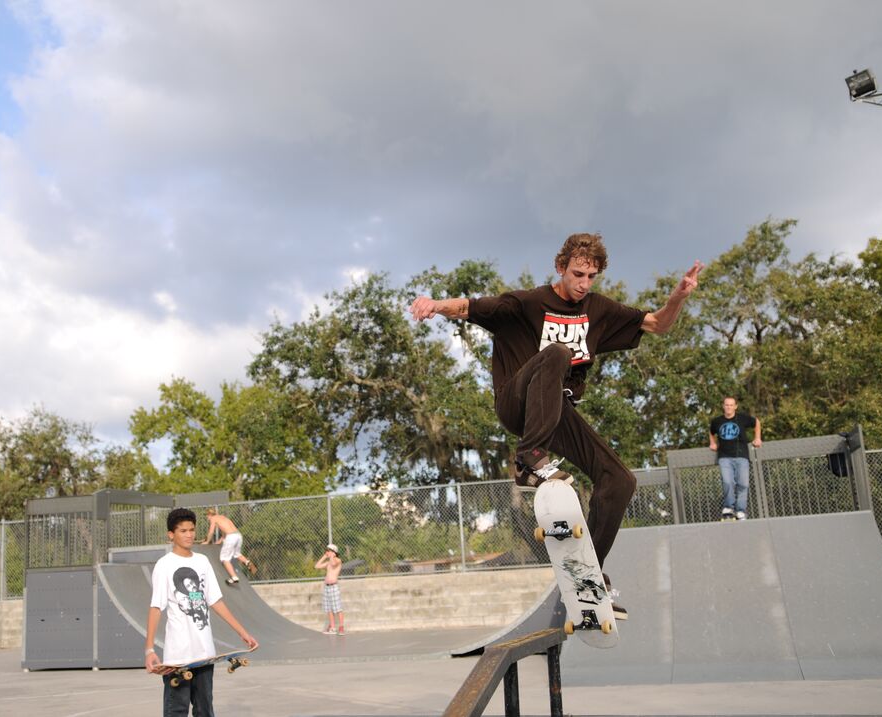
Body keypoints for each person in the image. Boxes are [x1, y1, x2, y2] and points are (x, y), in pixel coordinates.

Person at [411, 233, 702, 619]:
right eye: (577, 274)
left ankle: (587, 578)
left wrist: (678, 297)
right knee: (557, 354)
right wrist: (434, 304)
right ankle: (528, 460)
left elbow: (657, 325)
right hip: (517, 403)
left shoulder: (598, 309)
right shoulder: (527, 303)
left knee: (619, 481)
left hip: (557, 414)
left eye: (591, 277)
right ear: (560, 267)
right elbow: (469, 307)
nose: (583, 284)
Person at [145, 508, 258, 717]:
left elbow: (215, 601)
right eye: (183, 531)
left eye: (192, 530)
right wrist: (149, 649)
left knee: (205, 711)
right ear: (171, 534)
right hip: (178, 657)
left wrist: (242, 632)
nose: (189, 535)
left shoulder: (202, 561)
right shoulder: (164, 565)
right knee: (175, 711)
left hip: (205, 654)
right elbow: (155, 607)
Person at [708, 396, 762, 520]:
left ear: (735, 406)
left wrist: (757, 438)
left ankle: (740, 511)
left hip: (742, 456)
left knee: (743, 484)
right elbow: (711, 431)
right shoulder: (717, 421)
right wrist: (712, 443)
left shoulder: (742, 418)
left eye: (731, 405)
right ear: (723, 406)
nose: (729, 407)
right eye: (727, 405)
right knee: (728, 482)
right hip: (724, 457)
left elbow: (756, 422)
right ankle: (728, 508)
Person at [200, 507, 257, 584]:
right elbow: (224, 532)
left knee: (224, 558)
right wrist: (220, 541)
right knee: (236, 554)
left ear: (209, 514)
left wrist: (207, 541)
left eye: (207, 516)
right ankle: (247, 562)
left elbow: (211, 531)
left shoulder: (213, 518)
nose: (207, 518)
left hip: (231, 537)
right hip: (238, 535)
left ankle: (234, 577)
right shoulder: (223, 517)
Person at [314, 543, 346, 635]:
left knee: (338, 608)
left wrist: (332, 556)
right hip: (327, 587)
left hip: (334, 587)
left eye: (328, 551)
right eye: (327, 551)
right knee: (329, 609)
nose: (327, 552)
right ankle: (332, 627)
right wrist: (324, 556)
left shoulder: (338, 560)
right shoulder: (328, 562)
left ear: (334, 552)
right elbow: (316, 566)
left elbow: (333, 563)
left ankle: (341, 627)